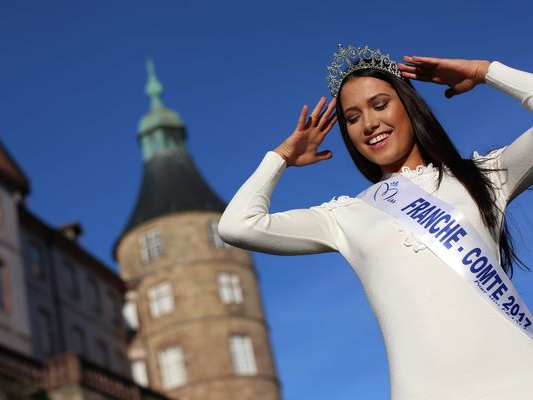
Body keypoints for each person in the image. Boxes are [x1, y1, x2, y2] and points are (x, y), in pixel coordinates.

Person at [218, 45, 533, 399]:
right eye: (352, 118)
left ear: (408, 107)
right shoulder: (344, 217)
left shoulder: (485, 177)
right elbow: (237, 226)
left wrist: (484, 71)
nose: (368, 124)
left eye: (380, 105)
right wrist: (280, 157)